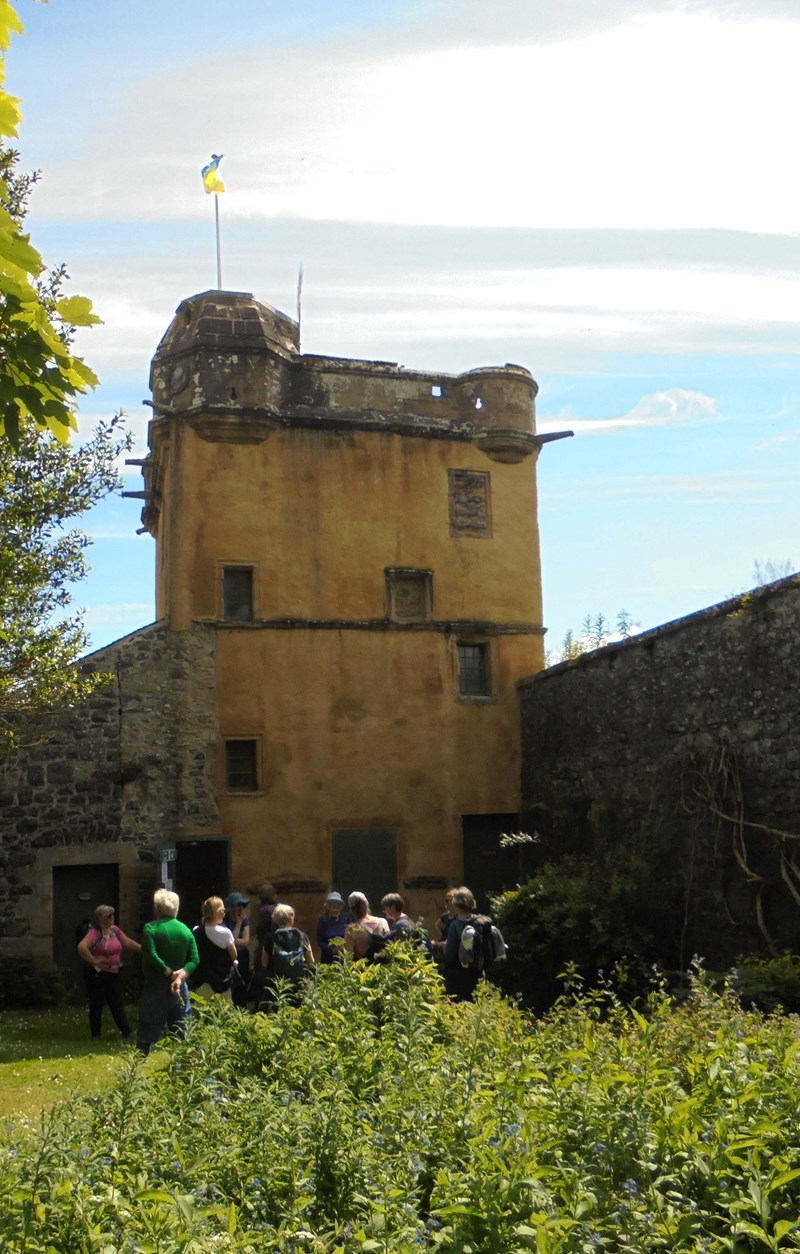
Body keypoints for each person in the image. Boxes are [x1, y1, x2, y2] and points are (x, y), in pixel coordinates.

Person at [136, 888, 199, 1054]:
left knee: (146, 1033)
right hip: (179, 988)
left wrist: (169, 973)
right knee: (181, 1033)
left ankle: (137, 1071)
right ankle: (180, 1072)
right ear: (176, 909)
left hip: (155, 987)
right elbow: (194, 959)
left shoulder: (150, 928)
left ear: (157, 908)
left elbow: (150, 954)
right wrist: (179, 978)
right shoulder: (186, 930)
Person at [76, 904, 141, 1040]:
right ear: (100, 918)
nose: (112, 917)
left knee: (116, 1002)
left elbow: (127, 943)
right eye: (109, 915)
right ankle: (96, 1034)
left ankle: (126, 1032)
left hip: (113, 972)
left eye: (113, 914)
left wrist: (145, 950)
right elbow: (82, 947)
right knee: (96, 1002)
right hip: (97, 974)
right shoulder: (95, 933)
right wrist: (93, 960)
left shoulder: (115, 931)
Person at [253, 902, 314, 1007]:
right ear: (291, 919)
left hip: (279, 987)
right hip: (299, 985)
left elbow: (264, 963)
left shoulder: (270, 938)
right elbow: (311, 962)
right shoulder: (302, 936)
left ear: (275, 921)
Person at [190, 896, 238, 999]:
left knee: (202, 1013)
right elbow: (234, 956)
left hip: (203, 982)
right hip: (222, 983)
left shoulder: (196, 931)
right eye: (223, 910)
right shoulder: (225, 933)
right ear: (218, 912)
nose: (224, 913)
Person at [443, 886, 482, 1003]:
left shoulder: (455, 924)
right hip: (478, 971)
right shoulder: (480, 922)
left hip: (457, 974)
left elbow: (449, 954)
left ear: (456, 904)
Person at [224, 891, 251, 1006]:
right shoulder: (224, 921)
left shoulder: (245, 920)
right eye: (238, 905)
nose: (240, 908)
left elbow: (245, 941)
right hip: (229, 956)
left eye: (242, 905)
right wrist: (238, 926)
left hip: (242, 956)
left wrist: (240, 923)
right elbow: (230, 940)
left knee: (242, 984)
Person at [345, 891, 390, 959]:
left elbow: (348, 957)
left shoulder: (351, 929)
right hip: (383, 968)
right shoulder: (383, 922)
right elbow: (390, 946)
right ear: (367, 904)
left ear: (351, 910)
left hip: (363, 968)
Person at [316, 890, 349, 963]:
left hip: (344, 956)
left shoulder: (345, 918)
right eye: (332, 903)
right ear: (327, 905)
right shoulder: (323, 920)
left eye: (338, 903)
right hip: (328, 958)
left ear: (341, 906)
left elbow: (351, 935)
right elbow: (320, 941)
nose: (335, 905)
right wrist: (332, 950)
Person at [431, 888, 457, 962]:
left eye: (451, 900)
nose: (448, 903)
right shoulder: (445, 916)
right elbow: (436, 924)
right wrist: (441, 934)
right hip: (443, 948)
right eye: (446, 900)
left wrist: (436, 944)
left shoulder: (459, 917)